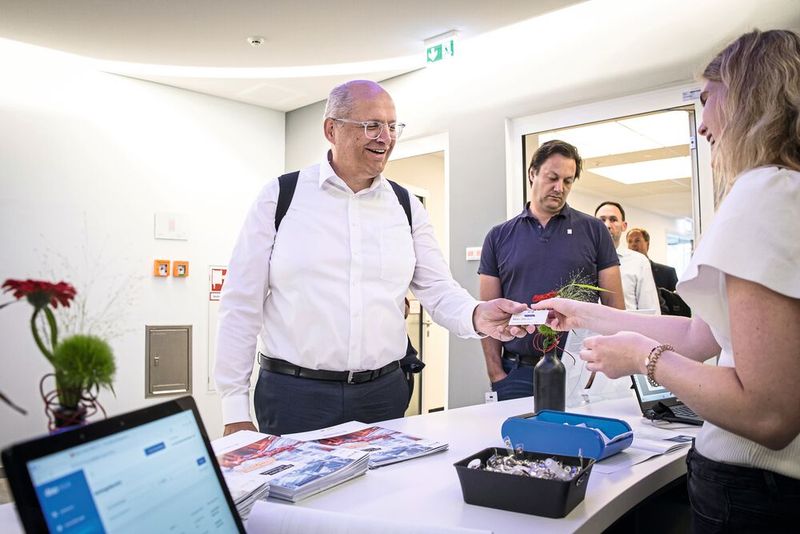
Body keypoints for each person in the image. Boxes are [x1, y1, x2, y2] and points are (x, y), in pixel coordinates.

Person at [533, 29, 800, 532]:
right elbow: (701, 339)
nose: (702, 126)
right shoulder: (788, 191)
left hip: (757, 492)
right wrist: (586, 313)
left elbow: (768, 414)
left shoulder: (765, 191)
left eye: (706, 99)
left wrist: (642, 358)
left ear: (746, 96)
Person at [214, 80, 533, 436]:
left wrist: (476, 314)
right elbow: (241, 303)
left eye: (392, 126)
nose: (385, 137)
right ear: (331, 129)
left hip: (383, 397)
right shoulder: (281, 197)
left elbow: (438, 288)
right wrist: (234, 410)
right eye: (371, 125)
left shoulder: (406, 206)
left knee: (385, 493)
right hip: (294, 397)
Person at [478, 140, 625, 401]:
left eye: (568, 181)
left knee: (576, 440)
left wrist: (602, 366)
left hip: (579, 369)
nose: (560, 188)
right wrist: (496, 372)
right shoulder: (499, 236)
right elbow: (489, 310)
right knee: (519, 442)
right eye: (553, 178)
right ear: (533, 173)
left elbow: (614, 307)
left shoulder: (594, 231)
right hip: (518, 372)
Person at [595, 201, 660, 312]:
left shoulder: (639, 262)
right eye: (602, 220)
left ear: (624, 226)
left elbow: (650, 310)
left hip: (627, 328)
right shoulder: (584, 260)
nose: (607, 225)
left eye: (613, 220)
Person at [626, 227, 678, 292]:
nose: (633, 244)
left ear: (647, 244)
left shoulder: (668, 273)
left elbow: (677, 301)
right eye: (630, 241)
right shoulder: (623, 273)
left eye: (637, 240)